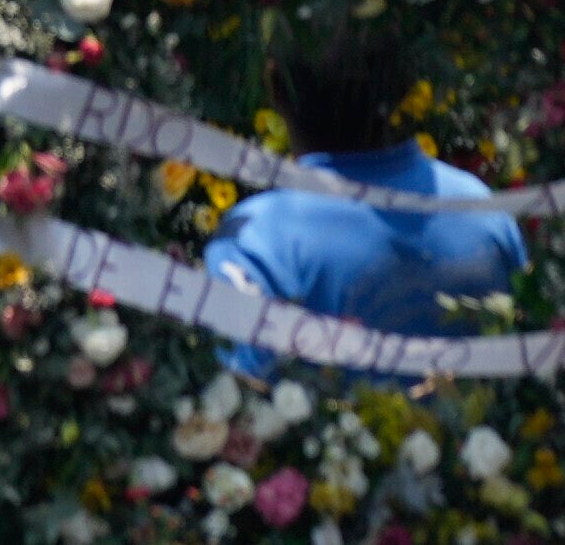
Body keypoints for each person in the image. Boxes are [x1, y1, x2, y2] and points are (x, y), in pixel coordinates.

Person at [202, 22, 528, 362]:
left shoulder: (255, 239)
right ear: (406, 88)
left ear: (276, 89)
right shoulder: (484, 211)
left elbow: (240, 393)